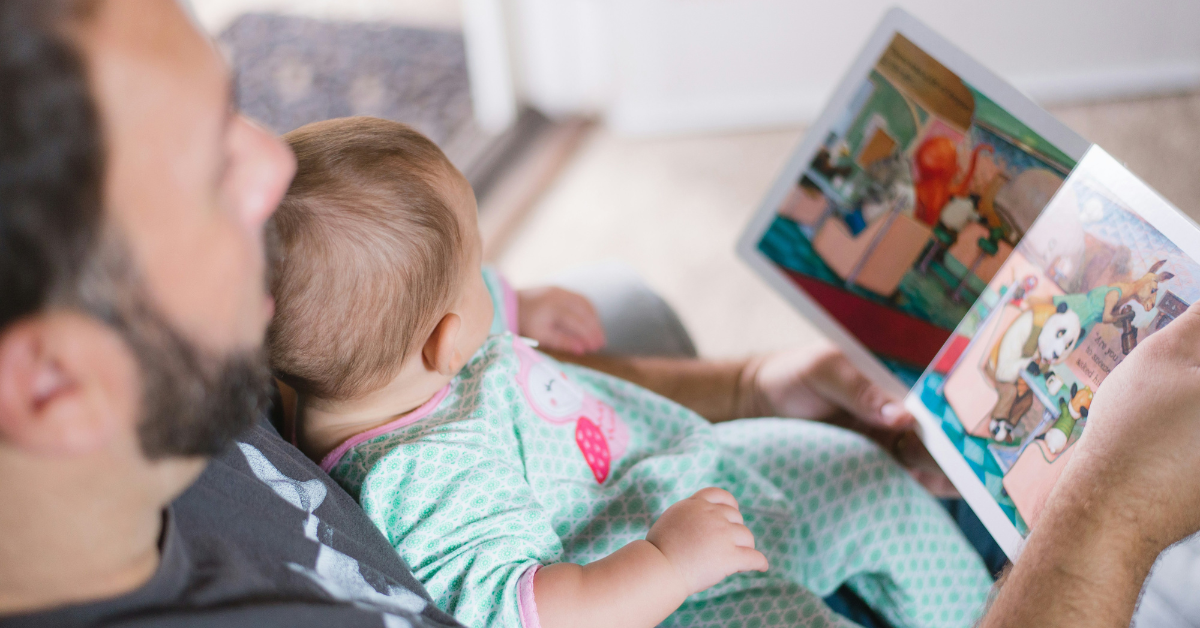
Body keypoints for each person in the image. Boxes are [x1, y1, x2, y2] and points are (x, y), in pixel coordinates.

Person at [0, 1, 1195, 627]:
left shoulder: (225, 343)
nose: (270, 165)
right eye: (208, 168)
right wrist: (1109, 517)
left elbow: (470, 370)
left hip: (653, 487)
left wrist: (742, 383)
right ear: (51, 384)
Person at [266, 116, 992, 628]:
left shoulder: (363, 364)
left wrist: (518, 303)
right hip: (665, 593)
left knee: (861, 474)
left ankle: (984, 611)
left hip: (678, 470)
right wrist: (667, 564)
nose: (489, 277)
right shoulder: (421, 480)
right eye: (477, 267)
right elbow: (525, 613)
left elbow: (439, 302)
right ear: (445, 344)